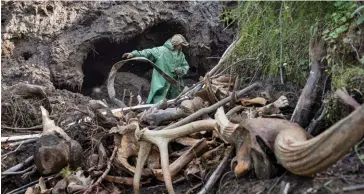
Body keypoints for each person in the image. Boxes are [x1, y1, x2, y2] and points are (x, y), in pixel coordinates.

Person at [122, 34, 190, 104]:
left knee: (175, 102)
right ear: (176, 43)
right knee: (157, 101)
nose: (181, 47)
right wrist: (134, 54)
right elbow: (148, 52)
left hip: (174, 85)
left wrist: (180, 70)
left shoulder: (181, 55)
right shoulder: (161, 51)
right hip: (161, 82)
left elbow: (185, 66)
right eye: (181, 45)